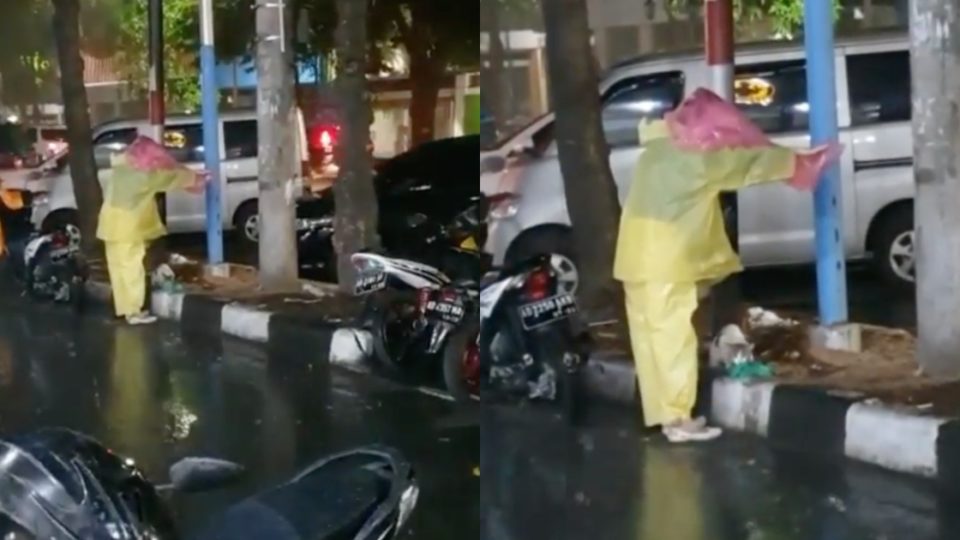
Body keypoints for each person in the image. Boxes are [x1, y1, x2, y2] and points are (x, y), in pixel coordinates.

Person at [614, 88, 840, 443]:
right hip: (667, 262)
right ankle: (678, 419)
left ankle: (662, 415)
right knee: (673, 341)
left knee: (649, 340)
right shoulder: (697, 161)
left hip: (632, 258)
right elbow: (746, 165)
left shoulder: (655, 152)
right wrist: (798, 161)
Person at [98, 136, 206, 325]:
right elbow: (170, 177)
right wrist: (196, 177)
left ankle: (123, 309)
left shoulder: (121, 166)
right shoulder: (145, 177)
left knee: (118, 269)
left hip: (109, 224)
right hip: (128, 228)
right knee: (132, 269)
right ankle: (134, 312)